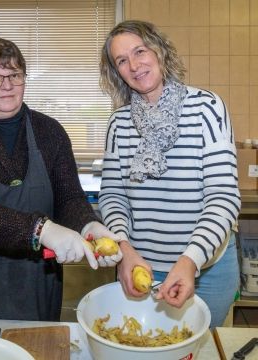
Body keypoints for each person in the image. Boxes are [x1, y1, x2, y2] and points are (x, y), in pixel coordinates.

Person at [0, 38, 121, 321]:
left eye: (14, 75)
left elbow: (69, 198)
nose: (7, 85)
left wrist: (89, 225)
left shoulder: (50, 132)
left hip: (33, 277)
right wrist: (40, 230)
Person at [98, 20, 241, 328]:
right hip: (141, 268)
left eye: (140, 51)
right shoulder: (118, 123)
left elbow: (223, 196)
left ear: (159, 51)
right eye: (122, 60)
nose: (134, 65)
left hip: (206, 269)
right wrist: (123, 250)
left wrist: (190, 259)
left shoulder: (207, 108)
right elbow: (112, 196)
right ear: (116, 71)